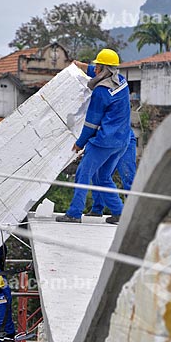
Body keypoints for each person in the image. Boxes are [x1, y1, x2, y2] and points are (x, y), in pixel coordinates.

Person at [56, 48, 131, 225]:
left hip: (104, 141)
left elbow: (91, 123)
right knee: (103, 177)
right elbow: (100, 73)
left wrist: (80, 143)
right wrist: (81, 66)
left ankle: (74, 213)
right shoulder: (122, 82)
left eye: (98, 65)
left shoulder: (101, 92)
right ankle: (120, 214)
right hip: (122, 140)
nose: (95, 68)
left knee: (83, 173)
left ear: (104, 68)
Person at [87, 128, 137, 216]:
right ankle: (97, 208)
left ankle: (134, 211)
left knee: (128, 175)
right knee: (98, 175)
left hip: (124, 139)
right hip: (106, 141)